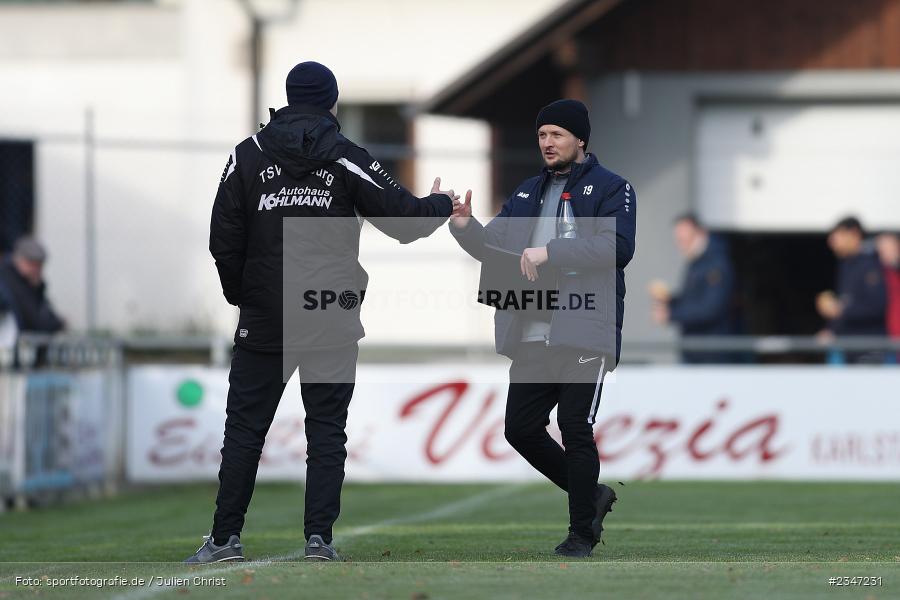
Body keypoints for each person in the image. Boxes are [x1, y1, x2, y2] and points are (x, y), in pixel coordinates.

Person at [184, 61, 456, 564]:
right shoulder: (344, 155)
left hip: (266, 313)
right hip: (329, 311)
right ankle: (318, 541)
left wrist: (241, 295)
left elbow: (223, 237)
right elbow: (401, 221)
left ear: (287, 99)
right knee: (326, 430)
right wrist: (440, 202)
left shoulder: (248, 155)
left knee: (244, 431)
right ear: (332, 102)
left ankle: (224, 540)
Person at [450, 99, 636, 558]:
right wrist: (464, 227)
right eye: (541, 135)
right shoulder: (527, 192)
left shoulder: (613, 187)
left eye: (556, 134)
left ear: (580, 140)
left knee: (575, 426)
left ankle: (580, 534)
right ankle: (592, 495)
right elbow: (492, 247)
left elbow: (618, 246)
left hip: (585, 327)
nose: (547, 143)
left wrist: (551, 252)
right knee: (520, 429)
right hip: (531, 329)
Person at [648, 214, 736, 363]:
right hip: (695, 351)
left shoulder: (717, 264)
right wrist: (670, 300)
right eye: (679, 240)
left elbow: (710, 308)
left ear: (700, 234)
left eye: (685, 240)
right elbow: (693, 299)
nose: (681, 245)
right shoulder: (696, 262)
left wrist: (671, 314)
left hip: (711, 354)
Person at [816, 217, 886, 363]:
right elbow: (846, 302)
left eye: (838, 235)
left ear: (854, 234)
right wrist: (832, 330)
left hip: (869, 352)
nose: (832, 241)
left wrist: (840, 310)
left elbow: (877, 306)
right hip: (849, 352)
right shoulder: (846, 265)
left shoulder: (871, 263)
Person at [0, 236, 65, 339]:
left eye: (39, 265)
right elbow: (34, 320)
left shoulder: (29, 283)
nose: (36, 270)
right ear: (20, 260)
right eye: (32, 264)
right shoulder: (11, 283)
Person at [875, 232, 900, 354]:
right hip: (888, 339)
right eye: (880, 250)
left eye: (886, 248)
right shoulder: (879, 274)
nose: (883, 255)